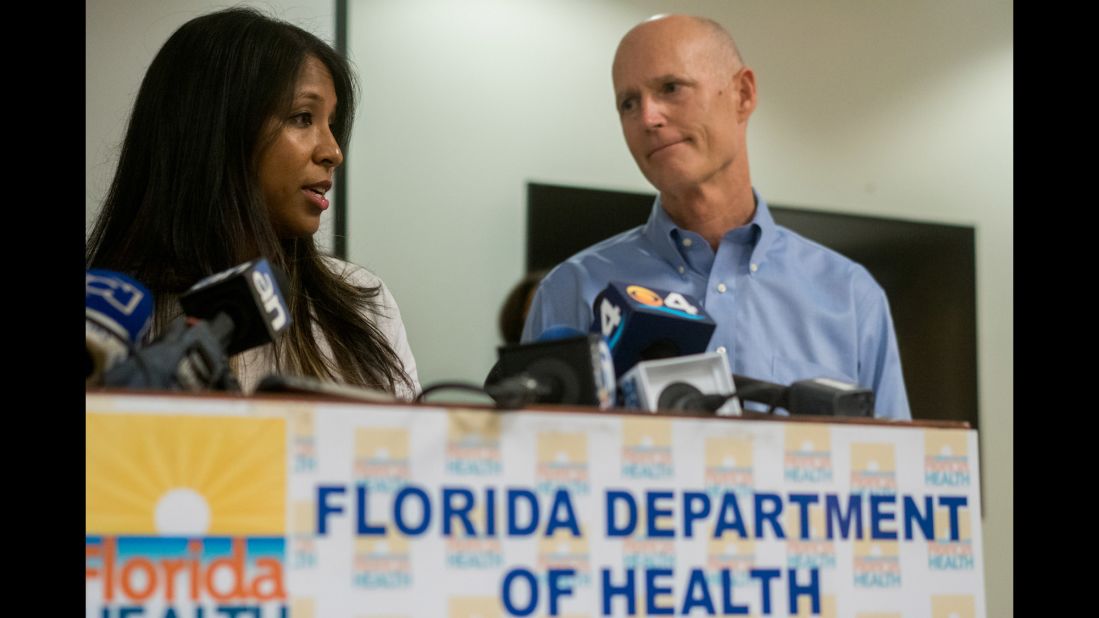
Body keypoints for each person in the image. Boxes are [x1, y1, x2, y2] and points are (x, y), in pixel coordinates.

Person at [521, 14, 910, 420]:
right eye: (628, 103)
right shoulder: (571, 290)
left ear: (742, 94)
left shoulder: (850, 296)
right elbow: (534, 463)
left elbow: (897, 471)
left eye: (671, 88)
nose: (648, 118)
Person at [86, 7, 419, 399]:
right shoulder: (104, 322)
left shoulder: (363, 303)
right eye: (302, 117)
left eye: (332, 123)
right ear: (214, 132)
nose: (333, 151)